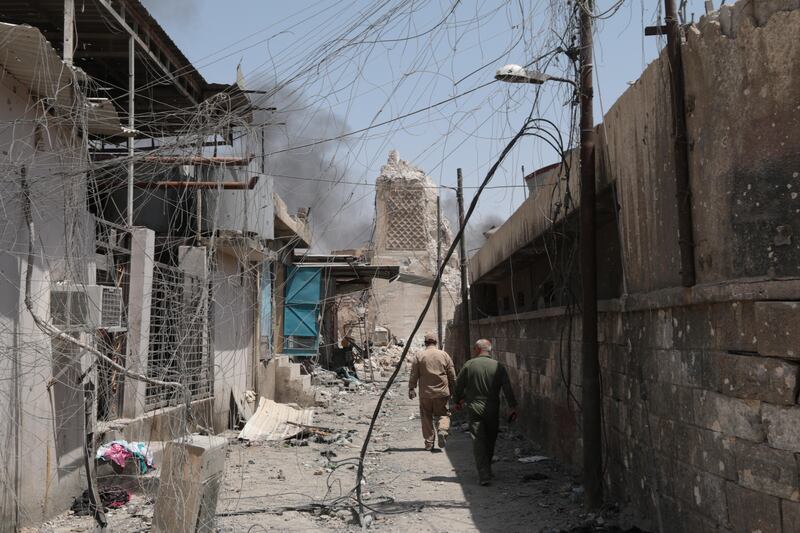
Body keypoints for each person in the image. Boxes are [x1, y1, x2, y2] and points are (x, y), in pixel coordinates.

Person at [453, 339, 518, 486]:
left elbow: (459, 385)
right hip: (492, 407)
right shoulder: (498, 366)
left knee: (478, 439)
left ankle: (484, 473)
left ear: (477, 349)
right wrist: (512, 406)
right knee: (490, 437)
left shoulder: (469, 365)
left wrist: (457, 400)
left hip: (474, 406)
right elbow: (507, 388)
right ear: (489, 350)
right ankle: (486, 468)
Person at [408, 332, 456, 451]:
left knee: (426, 417)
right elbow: (452, 375)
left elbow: (414, 374)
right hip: (442, 392)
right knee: (443, 414)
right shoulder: (444, 355)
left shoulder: (419, 356)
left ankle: (429, 443)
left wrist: (411, 388)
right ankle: (442, 430)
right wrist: (454, 389)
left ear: (425, 343)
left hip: (426, 394)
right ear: (436, 342)